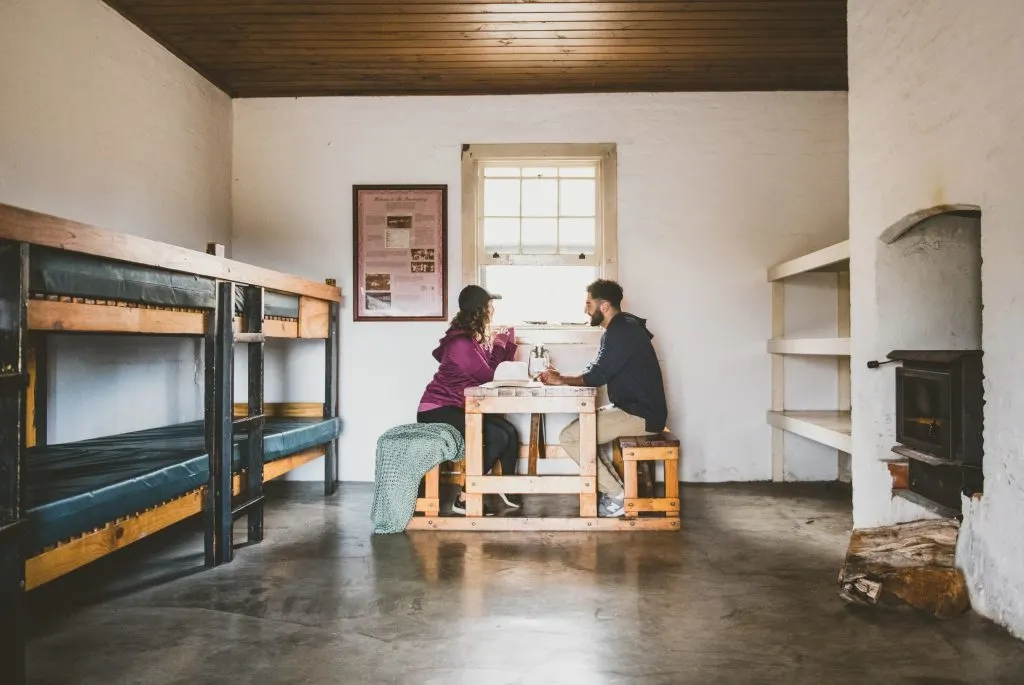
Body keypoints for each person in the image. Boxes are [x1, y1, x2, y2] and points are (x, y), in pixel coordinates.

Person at [540, 279, 667, 517]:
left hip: (642, 415)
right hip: (635, 409)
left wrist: (562, 379)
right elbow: (597, 367)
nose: (585, 309)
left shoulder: (621, 331)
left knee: (570, 437)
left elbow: (597, 376)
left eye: (588, 303)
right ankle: (616, 489)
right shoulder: (622, 327)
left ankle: (617, 496)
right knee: (581, 434)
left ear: (604, 306)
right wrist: (564, 377)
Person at [417, 284, 521, 514]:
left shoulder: (470, 339)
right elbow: (489, 376)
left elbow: (497, 370)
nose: (492, 311)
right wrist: (499, 345)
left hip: (457, 407)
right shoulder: (460, 344)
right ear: (479, 310)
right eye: (490, 306)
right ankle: (464, 498)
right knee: (498, 436)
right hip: (437, 409)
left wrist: (506, 344)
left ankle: (507, 485)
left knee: (510, 432)